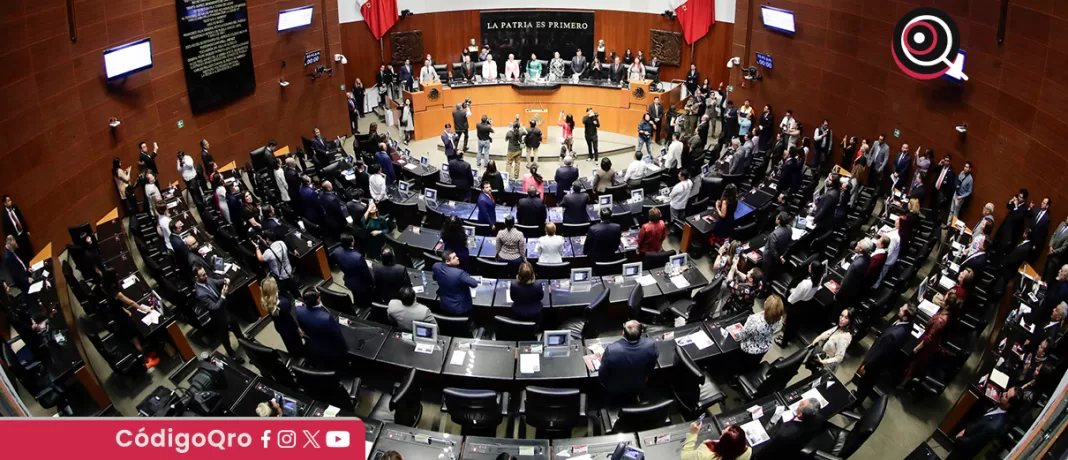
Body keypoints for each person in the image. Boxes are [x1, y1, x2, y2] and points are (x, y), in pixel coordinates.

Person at [851, 305, 914, 407]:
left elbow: (879, 353)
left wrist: (866, 365)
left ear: (905, 317)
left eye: (902, 309)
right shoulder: (908, 325)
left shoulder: (894, 335)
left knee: (866, 382)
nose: (899, 308)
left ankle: (855, 402)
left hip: (877, 362)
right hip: (884, 358)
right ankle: (859, 397)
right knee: (869, 382)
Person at [947, 387, 1031, 460]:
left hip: (962, 451)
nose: (1003, 393)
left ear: (1008, 405)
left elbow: (971, 443)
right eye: (1006, 391)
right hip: (968, 432)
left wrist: (959, 438)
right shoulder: (1001, 408)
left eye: (1006, 396)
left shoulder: (993, 426)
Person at [902, 291, 960, 384]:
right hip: (932, 340)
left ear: (947, 306)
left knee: (914, 364)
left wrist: (916, 348)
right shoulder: (946, 313)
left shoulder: (940, 321)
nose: (942, 300)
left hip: (927, 346)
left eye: (944, 300)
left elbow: (929, 338)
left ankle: (903, 383)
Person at [193, 265, 245, 363]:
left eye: (205, 274)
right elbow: (214, 307)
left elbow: (216, 282)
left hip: (225, 310)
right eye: (203, 275)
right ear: (197, 278)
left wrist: (224, 281)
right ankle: (232, 355)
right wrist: (223, 296)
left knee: (235, 325)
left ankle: (243, 342)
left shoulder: (207, 279)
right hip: (218, 317)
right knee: (225, 337)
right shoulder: (201, 293)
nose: (206, 276)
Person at [598, 320, 658, 402]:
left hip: (614, 388)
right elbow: (651, 365)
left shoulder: (612, 350)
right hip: (639, 384)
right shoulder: (651, 345)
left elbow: (602, 373)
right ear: (642, 332)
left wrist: (603, 382)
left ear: (623, 333)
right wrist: (646, 376)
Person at [753, 398, 825, 460]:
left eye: (801, 404)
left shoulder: (785, 431)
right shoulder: (817, 418)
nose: (800, 402)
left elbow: (766, 446)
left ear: (800, 415)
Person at [295, 290, 349, 370]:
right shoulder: (326, 318)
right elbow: (337, 336)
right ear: (318, 299)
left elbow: (303, 329)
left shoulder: (299, 310)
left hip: (314, 345)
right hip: (330, 348)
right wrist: (345, 349)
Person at [777, 261, 824, 347]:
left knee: (789, 324)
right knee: (796, 323)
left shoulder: (806, 283)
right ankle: (790, 337)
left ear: (812, 270)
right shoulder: (819, 279)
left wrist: (791, 293)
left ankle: (783, 342)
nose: (808, 267)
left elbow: (795, 297)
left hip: (796, 304)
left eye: (810, 266)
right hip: (806, 304)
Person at [735, 294, 784, 369]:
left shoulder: (754, 320)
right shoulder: (779, 319)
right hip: (764, 347)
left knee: (742, 365)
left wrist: (735, 333)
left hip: (749, 349)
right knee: (752, 365)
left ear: (766, 306)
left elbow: (743, 334)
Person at [261, 276, 303, 357]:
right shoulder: (283, 303)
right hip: (289, 329)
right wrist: (298, 329)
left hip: (279, 326)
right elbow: (290, 320)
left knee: (289, 344)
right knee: (297, 345)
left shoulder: (266, 302)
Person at [332, 233, 374, 308]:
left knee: (356, 296)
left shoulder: (336, 251)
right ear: (352, 242)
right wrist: (371, 283)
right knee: (366, 300)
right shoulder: (358, 257)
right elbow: (366, 273)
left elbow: (340, 266)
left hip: (349, 280)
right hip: (361, 284)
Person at [434, 250, 480, 315]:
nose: (457, 258)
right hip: (459, 308)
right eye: (454, 257)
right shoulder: (460, 274)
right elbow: (474, 284)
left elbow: (435, 278)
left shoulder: (436, 266)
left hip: (444, 303)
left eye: (456, 256)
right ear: (447, 262)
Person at [810, 309, 853, 373]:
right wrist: (817, 339)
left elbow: (839, 358)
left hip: (827, 367)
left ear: (850, 321)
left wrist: (824, 362)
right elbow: (827, 333)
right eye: (841, 315)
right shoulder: (839, 327)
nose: (842, 319)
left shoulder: (844, 337)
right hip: (821, 358)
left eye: (846, 318)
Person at [682, 423, 750, 460]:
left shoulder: (704, 454)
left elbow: (684, 457)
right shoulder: (747, 452)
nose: (722, 431)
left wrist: (693, 434)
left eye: (724, 432)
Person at [762, 212, 793, 283]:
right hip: (781, 253)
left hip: (769, 258)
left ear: (779, 221)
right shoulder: (789, 228)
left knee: (765, 274)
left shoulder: (774, 234)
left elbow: (773, 251)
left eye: (777, 217)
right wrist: (783, 256)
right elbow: (789, 244)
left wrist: (779, 259)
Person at [2, 196, 32, 262]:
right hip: (17, 237)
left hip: (23, 232)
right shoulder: (4, 216)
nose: (10, 202)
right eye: (8, 201)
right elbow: (7, 231)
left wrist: (27, 230)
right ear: (5, 203)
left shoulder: (15, 207)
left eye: (10, 200)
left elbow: (21, 219)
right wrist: (13, 241)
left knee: (29, 249)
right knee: (23, 254)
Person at [1030, 197, 1052, 263]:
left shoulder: (1046, 219)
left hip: (1034, 242)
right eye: (1042, 202)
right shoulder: (1036, 210)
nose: (1042, 203)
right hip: (1028, 237)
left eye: (1044, 203)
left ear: (1047, 206)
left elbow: (1042, 234)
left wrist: (1035, 244)